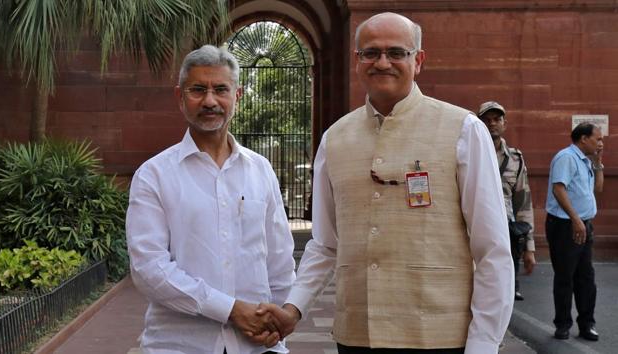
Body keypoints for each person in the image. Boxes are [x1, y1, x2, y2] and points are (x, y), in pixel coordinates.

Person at [257, 12, 513, 354]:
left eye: (396, 53)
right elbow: (325, 244)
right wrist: (294, 308)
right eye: (371, 53)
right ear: (358, 61)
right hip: (356, 337)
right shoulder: (335, 138)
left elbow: (492, 248)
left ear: (418, 60)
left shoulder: (462, 130)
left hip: (439, 337)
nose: (383, 63)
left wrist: (484, 343)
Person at [125, 45, 296, 354]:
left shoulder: (260, 170)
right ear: (180, 97)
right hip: (179, 345)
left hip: (257, 346)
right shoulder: (154, 175)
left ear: (238, 96)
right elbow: (149, 269)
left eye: (220, 89)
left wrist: (277, 320)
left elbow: (279, 259)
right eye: (198, 90)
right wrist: (230, 309)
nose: (209, 101)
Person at [545, 122, 604, 341]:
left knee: (586, 277)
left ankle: (587, 324)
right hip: (564, 226)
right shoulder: (566, 158)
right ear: (583, 139)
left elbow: (597, 188)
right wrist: (576, 219)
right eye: (597, 139)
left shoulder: (586, 160)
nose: (600, 143)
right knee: (565, 277)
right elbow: (558, 189)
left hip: (584, 224)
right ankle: (562, 325)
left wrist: (597, 163)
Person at [477, 101, 536, 301]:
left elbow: (523, 203)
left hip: (506, 233)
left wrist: (529, 247)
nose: (492, 123)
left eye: (497, 119)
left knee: (505, 295)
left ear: (504, 124)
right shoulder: (468, 154)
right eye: (486, 120)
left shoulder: (515, 159)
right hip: (475, 232)